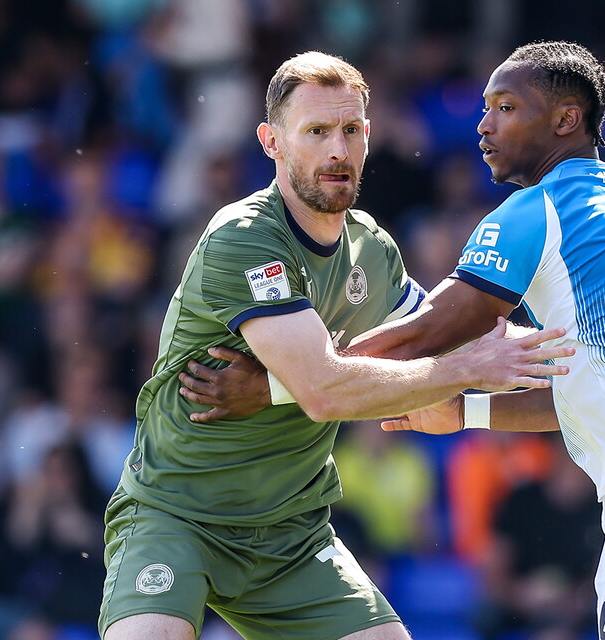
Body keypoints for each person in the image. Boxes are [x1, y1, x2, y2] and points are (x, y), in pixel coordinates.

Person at [181, 42, 605, 640]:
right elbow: (589, 387)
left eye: (505, 107)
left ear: (565, 119)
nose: (483, 124)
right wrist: (466, 407)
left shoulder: (535, 209)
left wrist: (276, 387)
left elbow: (425, 336)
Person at [99, 50, 571, 640]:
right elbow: (323, 390)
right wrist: (469, 368)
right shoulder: (242, 239)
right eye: (316, 132)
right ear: (272, 141)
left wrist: (583, 347)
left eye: (350, 131)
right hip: (177, 514)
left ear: (369, 136)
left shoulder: (372, 248)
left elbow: (438, 339)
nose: (337, 151)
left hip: (291, 532)